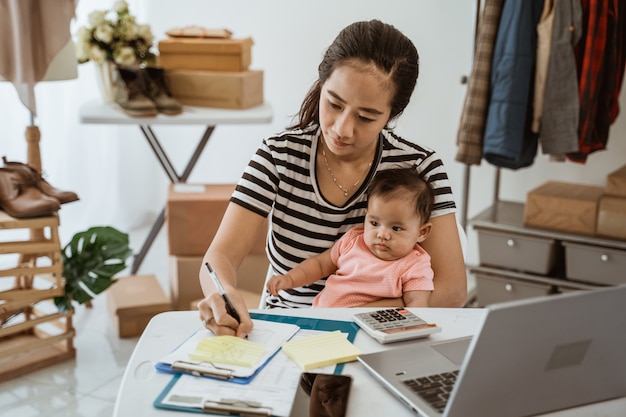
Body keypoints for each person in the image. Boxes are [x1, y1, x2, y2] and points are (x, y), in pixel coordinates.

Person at [198, 19, 467, 338]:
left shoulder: (419, 167)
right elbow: (220, 257)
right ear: (321, 84)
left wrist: (349, 316)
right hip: (288, 329)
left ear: (391, 115)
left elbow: (451, 292)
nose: (342, 129)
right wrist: (222, 293)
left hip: (383, 334)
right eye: (334, 104)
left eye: (366, 117)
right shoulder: (279, 154)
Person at [266, 168, 434, 307]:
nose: (382, 234)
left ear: (422, 232)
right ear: (366, 216)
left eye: (396, 228)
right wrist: (289, 279)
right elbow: (319, 264)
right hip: (322, 319)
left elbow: (417, 305)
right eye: (374, 223)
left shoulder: (415, 265)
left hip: (372, 329)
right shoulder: (353, 240)